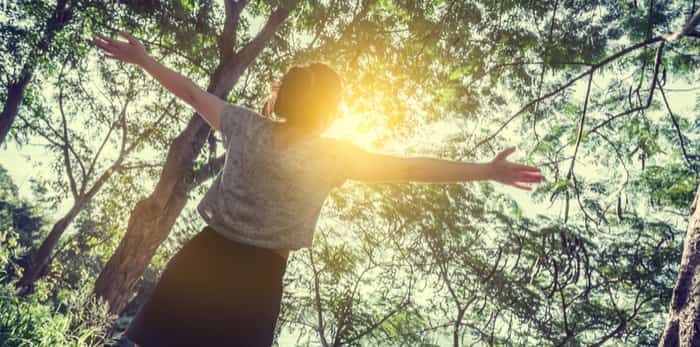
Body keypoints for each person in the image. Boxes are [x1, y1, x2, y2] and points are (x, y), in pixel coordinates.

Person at [92, 31, 544, 347]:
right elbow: (409, 168)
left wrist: (144, 59)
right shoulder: (333, 155)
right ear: (328, 110)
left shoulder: (244, 126)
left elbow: (192, 95)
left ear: (284, 95)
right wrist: (485, 170)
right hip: (256, 281)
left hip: (203, 258)